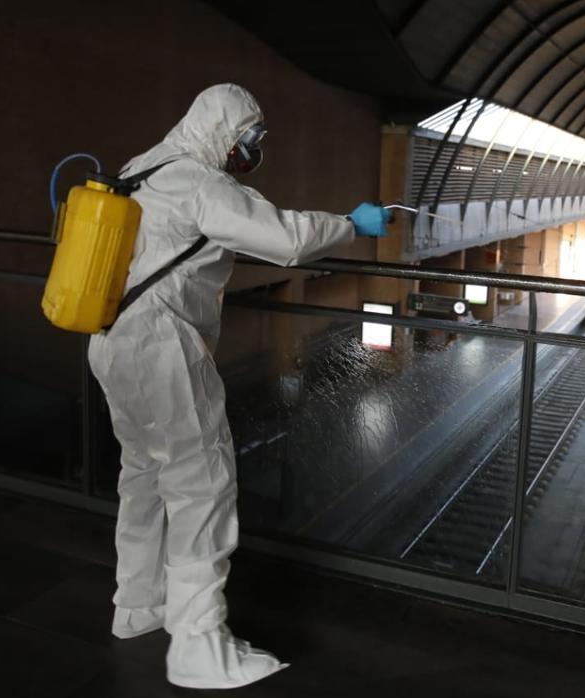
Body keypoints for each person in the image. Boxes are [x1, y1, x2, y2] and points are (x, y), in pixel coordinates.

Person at [87, 84, 389, 689]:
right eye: (247, 139)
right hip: (161, 344)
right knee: (202, 483)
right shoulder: (200, 183)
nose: (250, 152)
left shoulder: (141, 167)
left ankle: (137, 605)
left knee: (144, 473)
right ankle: (198, 644)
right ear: (222, 133)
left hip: (109, 336)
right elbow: (284, 238)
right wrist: (351, 225)